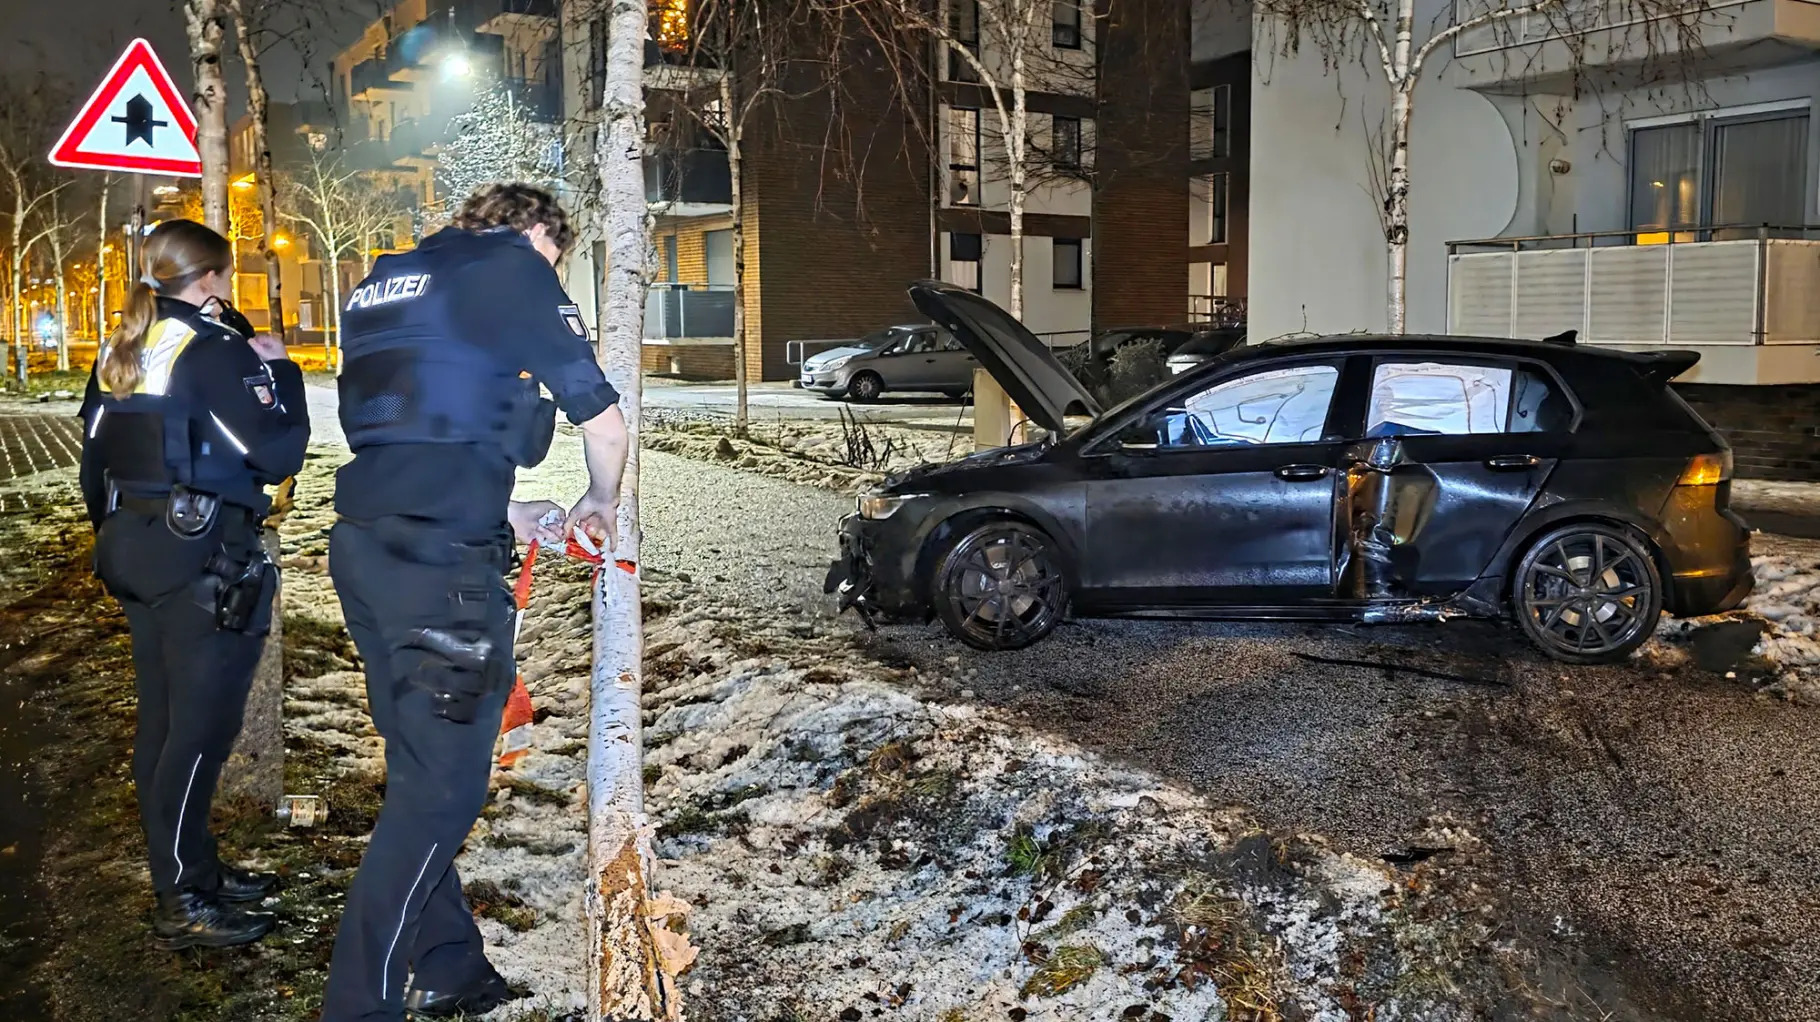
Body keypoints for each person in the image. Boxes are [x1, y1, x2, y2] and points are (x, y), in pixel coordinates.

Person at [320, 183, 628, 1022]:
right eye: (556, 262)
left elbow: (417, 427)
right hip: (443, 570)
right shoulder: (511, 268)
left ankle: (448, 963)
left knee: (422, 771)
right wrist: (602, 500)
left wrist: (513, 510)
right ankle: (359, 1006)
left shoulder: (388, 279)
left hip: (370, 545)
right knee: (444, 794)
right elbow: (601, 418)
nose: (552, 277)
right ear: (535, 234)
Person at [77, 219, 310, 950]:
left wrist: (128, 538)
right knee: (199, 733)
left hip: (134, 546)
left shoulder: (124, 346)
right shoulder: (214, 352)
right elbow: (278, 454)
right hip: (201, 556)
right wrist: (282, 372)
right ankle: (183, 897)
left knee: (165, 724)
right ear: (211, 278)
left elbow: (93, 462)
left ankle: (193, 870)